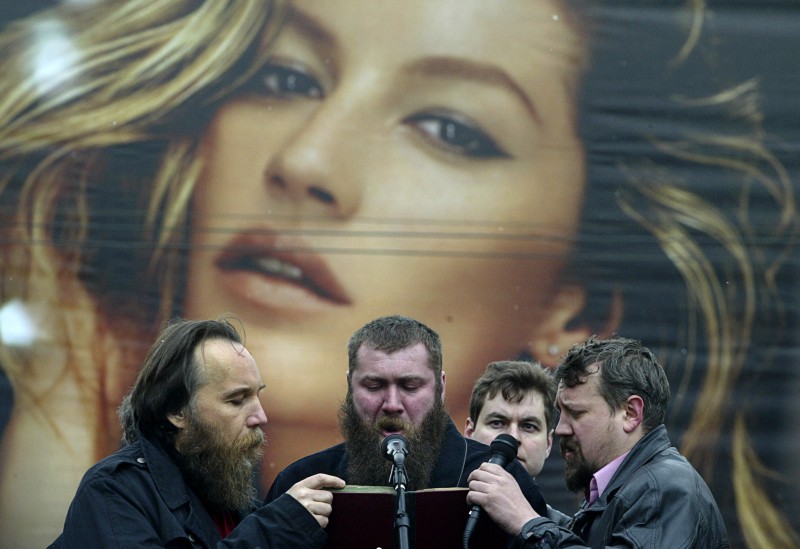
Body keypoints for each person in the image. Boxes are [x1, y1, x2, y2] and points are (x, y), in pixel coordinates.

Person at [0, 1, 796, 547]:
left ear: (575, 298)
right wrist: (55, 421)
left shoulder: (511, 498)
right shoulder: (284, 492)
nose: (307, 160)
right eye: (288, 77)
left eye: (449, 126)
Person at [50, 317, 345, 548]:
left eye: (258, 395)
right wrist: (276, 529)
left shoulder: (230, 495)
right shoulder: (113, 491)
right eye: (236, 400)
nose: (261, 417)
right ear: (177, 411)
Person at [264, 315, 549, 543]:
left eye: (410, 386)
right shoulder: (301, 482)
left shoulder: (502, 480)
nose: (392, 404)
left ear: (440, 388)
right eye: (374, 386)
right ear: (350, 386)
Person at [466, 335, 729, 547]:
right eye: (560, 412)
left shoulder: (662, 490)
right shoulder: (622, 489)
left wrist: (526, 521)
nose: (561, 429)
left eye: (576, 413)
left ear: (630, 413)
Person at [464, 361, 570, 525]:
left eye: (529, 426)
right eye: (497, 423)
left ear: (548, 444)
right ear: (469, 433)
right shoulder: (431, 515)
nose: (513, 437)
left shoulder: (569, 532)